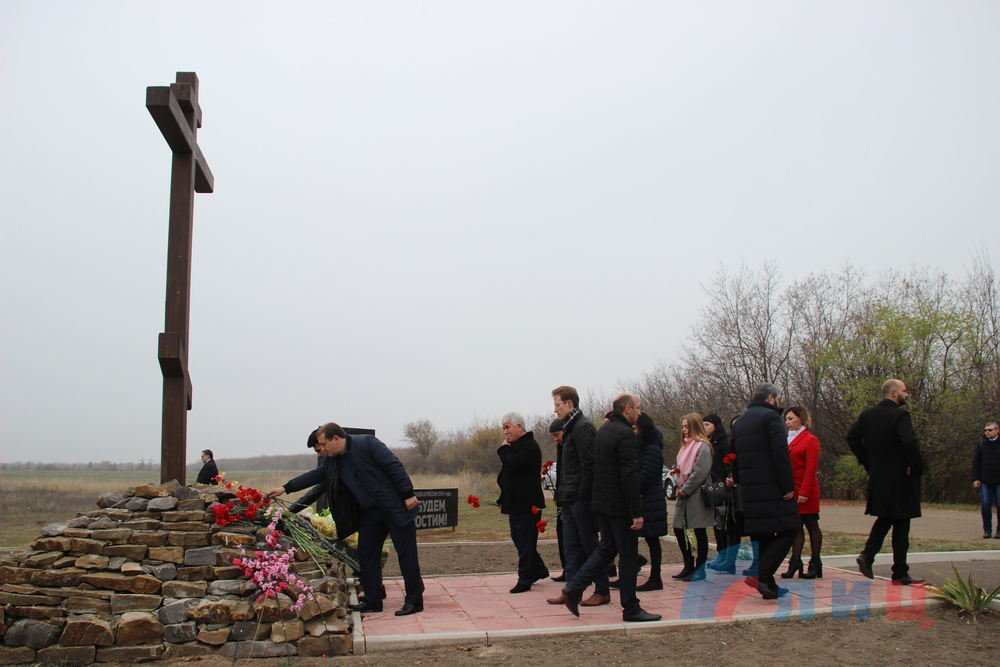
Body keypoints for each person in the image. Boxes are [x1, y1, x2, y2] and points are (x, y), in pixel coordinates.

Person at [268, 422, 425, 616]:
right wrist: (286, 488)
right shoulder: (334, 460)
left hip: (395, 508)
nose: (323, 450)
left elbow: (393, 466)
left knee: (406, 554)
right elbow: (316, 476)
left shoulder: (367, 443)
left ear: (336, 438)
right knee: (367, 554)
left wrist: (407, 493)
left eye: (324, 444)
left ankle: (414, 601)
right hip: (370, 513)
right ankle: (373, 600)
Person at [561, 393, 660, 623]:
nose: (640, 411)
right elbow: (629, 476)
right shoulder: (625, 435)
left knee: (605, 549)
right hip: (620, 507)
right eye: (637, 407)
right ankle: (631, 608)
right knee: (627, 555)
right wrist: (636, 512)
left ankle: (574, 588)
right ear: (627, 409)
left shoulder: (604, 430)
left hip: (602, 504)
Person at [847, 379, 924, 585]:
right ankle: (896, 570)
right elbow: (908, 441)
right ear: (893, 394)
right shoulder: (900, 415)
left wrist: (868, 461)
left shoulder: (867, 415)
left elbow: (852, 438)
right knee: (900, 522)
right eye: (904, 391)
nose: (906, 395)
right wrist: (915, 466)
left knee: (890, 519)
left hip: (879, 476)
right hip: (901, 477)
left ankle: (879, 561)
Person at [732, 383, 801, 600]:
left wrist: (741, 482)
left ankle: (768, 586)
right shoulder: (771, 419)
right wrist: (788, 486)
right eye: (777, 398)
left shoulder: (740, 422)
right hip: (772, 487)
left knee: (761, 534)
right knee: (790, 529)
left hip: (750, 489)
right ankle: (761, 573)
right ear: (771, 398)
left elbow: (736, 456)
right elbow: (780, 454)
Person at [547, 386, 610, 607]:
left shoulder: (583, 428)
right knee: (571, 546)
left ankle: (602, 590)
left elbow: (589, 466)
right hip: (569, 498)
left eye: (558, 404)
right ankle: (571, 590)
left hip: (580, 500)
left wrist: (583, 498)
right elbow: (568, 468)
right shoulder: (569, 428)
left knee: (590, 546)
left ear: (570, 404)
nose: (555, 409)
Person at [497, 412, 549, 593]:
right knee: (518, 538)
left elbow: (512, 464)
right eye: (503, 428)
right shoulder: (516, 446)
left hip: (528, 504)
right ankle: (538, 569)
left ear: (519, 427)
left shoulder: (529, 447)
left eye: (507, 427)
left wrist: (503, 450)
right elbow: (508, 474)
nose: (505, 432)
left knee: (526, 541)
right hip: (515, 502)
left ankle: (525, 577)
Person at [780, 407, 823, 579]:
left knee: (811, 525)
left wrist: (804, 492)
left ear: (801, 419)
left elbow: (811, 468)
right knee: (796, 527)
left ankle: (815, 562)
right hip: (793, 490)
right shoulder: (788, 439)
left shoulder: (810, 440)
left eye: (790, 418)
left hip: (807, 490)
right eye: (786, 419)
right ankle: (795, 560)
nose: (787, 422)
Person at [671, 413, 714, 582]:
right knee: (678, 528)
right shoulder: (685, 447)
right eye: (682, 426)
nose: (684, 430)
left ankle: (700, 567)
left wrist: (686, 489)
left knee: (699, 530)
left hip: (695, 494)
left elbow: (700, 472)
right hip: (683, 493)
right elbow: (680, 468)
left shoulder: (702, 446)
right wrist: (677, 482)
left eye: (687, 426)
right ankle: (688, 563)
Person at [636, 412, 668, 590]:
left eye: (635, 428)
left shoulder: (651, 449)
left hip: (650, 501)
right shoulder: (644, 447)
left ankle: (656, 577)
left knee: (652, 539)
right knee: (647, 538)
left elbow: (646, 476)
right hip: (647, 501)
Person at [702, 414, 733, 570]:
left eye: (707, 424)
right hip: (712, 485)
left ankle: (726, 556)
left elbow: (728, 463)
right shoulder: (708, 442)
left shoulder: (723, 442)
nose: (705, 428)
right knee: (716, 523)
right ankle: (721, 554)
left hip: (722, 486)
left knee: (724, 523)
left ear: (715, 425)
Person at [973, 421, 1000, 539]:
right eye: (985, 430)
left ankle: (999, 531)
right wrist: (976, 478)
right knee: (985, 505)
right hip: (986, 481)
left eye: (990, 430)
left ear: (997, 430)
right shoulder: (982, 444)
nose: (987, 432)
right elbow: (976, 463)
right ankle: (987, 529)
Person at [548, 418, 567, 581]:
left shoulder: (572, 445)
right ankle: (567, 569)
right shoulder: (561, 447)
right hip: (562, 496)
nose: (556, 439)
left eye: (557, 435)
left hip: (571, 498)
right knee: (561, 533)